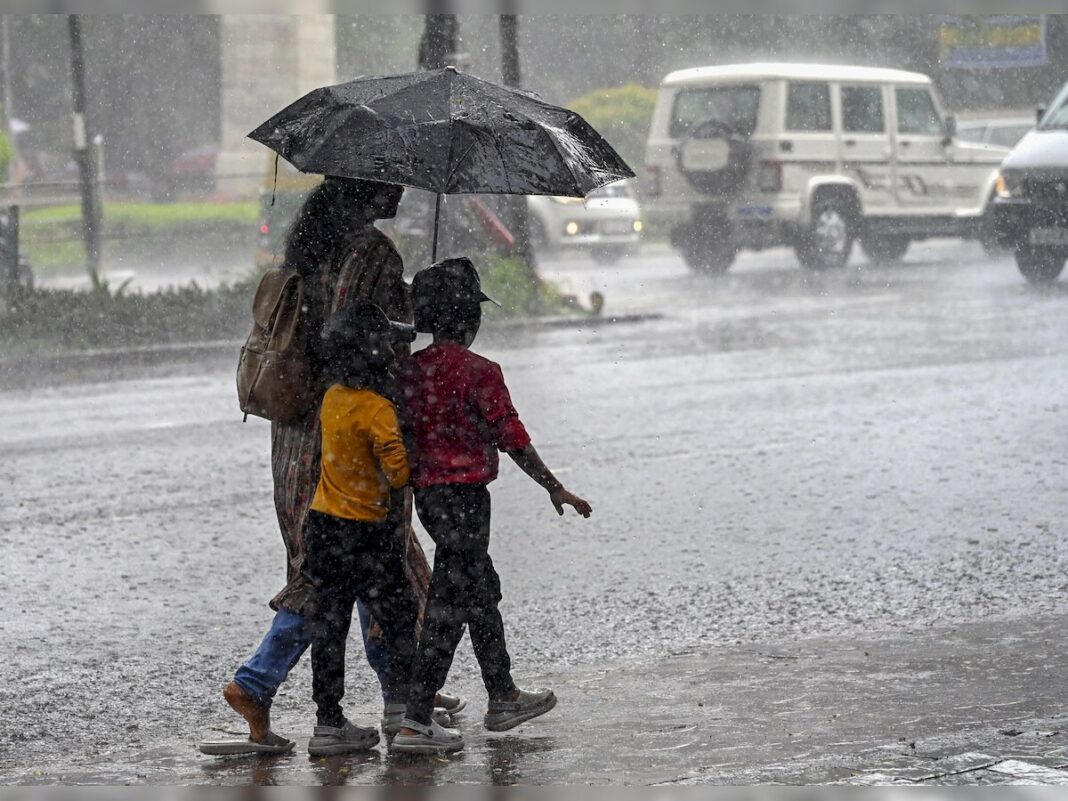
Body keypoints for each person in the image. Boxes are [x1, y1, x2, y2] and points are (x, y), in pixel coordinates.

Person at [221, 177, 462, 750]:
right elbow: (360, 340)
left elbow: (326, 329)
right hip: (351, 435)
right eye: (393, 178)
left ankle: (400, 693)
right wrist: (415, 317)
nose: (403, 188)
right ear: (367, 186)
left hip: (298, 431)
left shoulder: (310, 245)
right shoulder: (372, 251)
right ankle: (260, 682)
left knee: (370, 567)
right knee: (349, 571)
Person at [391, 257, 593, 755]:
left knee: (479, 588)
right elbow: (511, 436)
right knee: (449, 603)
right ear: (468, 319)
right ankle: (416, 719)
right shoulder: (482, 372)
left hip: (430, 500)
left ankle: (502, 695)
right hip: (467, 500)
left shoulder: (407, 373)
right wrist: (553, 486)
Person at [304, 300, 420, 755]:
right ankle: (405, 710)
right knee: (397, 617)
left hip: (323, 528)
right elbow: (398, 476)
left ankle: (328, 724)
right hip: (366, 534)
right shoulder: (378, 411)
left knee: (329, 628)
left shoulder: (332, 398)